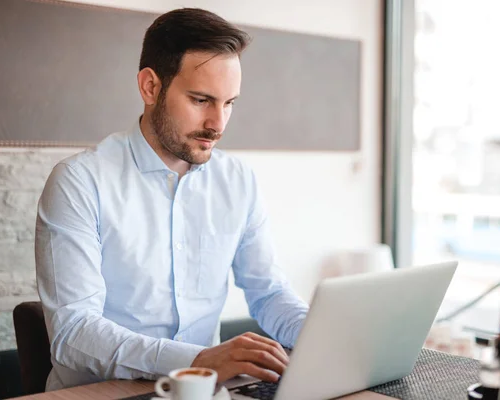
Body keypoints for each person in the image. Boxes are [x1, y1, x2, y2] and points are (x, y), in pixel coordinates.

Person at [35, 8, 309, 391]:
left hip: (204, 393)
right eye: (201, 100)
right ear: (150, 87)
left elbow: (269, 292)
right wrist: (198, 360)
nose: (218, 124)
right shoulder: (79, 182)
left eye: (229, 103)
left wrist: (321, 337)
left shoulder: (237, 181)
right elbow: (73, 332)